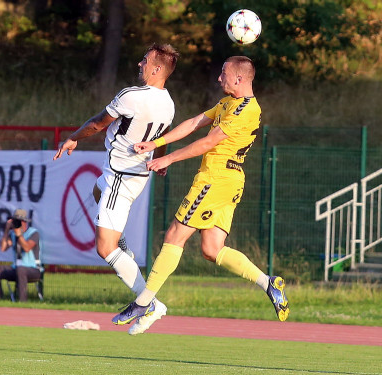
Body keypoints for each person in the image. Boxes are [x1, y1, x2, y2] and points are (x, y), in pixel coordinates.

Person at [112, 56, 290, 334]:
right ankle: (268, 283)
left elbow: (208, 142)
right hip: (228, 181)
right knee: (212, 249)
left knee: (175, 235)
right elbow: (195, 122)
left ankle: (143, 303)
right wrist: (157, 143)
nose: (219, 78)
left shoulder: (245, 109)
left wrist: (168, 159)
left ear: (239, 78)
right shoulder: (229, 103)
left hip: (215, 179)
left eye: (224, 73)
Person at [53, 43, 179, 334]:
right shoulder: (169, 103)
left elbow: (98, 124)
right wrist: (160, 159)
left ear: (157, 69)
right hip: (135, 175)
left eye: (145, 60)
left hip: (120, 177)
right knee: (97, 192)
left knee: (104, 248)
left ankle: (150, 303)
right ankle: (122, 246)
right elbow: (162, 137)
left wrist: (74, 137)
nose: (139, 64)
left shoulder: (131, 95)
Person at [0, 209, 42, 302]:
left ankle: (22, 301)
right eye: (15, 221)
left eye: (19, 221)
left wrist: (19, 235)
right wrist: (6, 230)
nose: (17, 224)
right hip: (16, 268)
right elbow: (3, 248)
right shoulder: (12, 234)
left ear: (24, 222)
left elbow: (27, 248)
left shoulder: (33, 233)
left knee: (21, 270)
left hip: (33, 269)